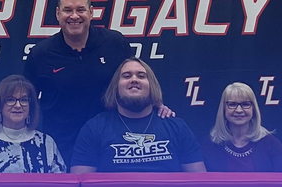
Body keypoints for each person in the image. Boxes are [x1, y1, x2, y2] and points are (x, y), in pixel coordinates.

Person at [23, 0, 172, 166]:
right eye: (67, 10)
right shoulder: (41, 53)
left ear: (91, 13)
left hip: (112, 142)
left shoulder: (114, 43)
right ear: (57, 14)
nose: (74, 16)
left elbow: (136, 78)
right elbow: (25, 98)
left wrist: (157, 103)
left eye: (81, 10)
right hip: (62, 144)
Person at [71, 58, 206, 173]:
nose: (134, 80)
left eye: (141, 76)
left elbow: (200, 184)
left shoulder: (177, 127)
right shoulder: (94, 128)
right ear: (116, 87)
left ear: (151, 86)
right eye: (126, 76)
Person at [0, 75, 66, 173]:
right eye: (10, 100)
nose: (18, 105)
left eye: (24, 100)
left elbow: (61, 186)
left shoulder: (46, 143)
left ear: (31, 106)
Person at [201, 82, 282, 172]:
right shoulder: (210, 145)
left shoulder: (271, 144)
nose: (239, 110)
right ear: (223, 109)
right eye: (232, 104)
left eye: (245, 104)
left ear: (254, 109)